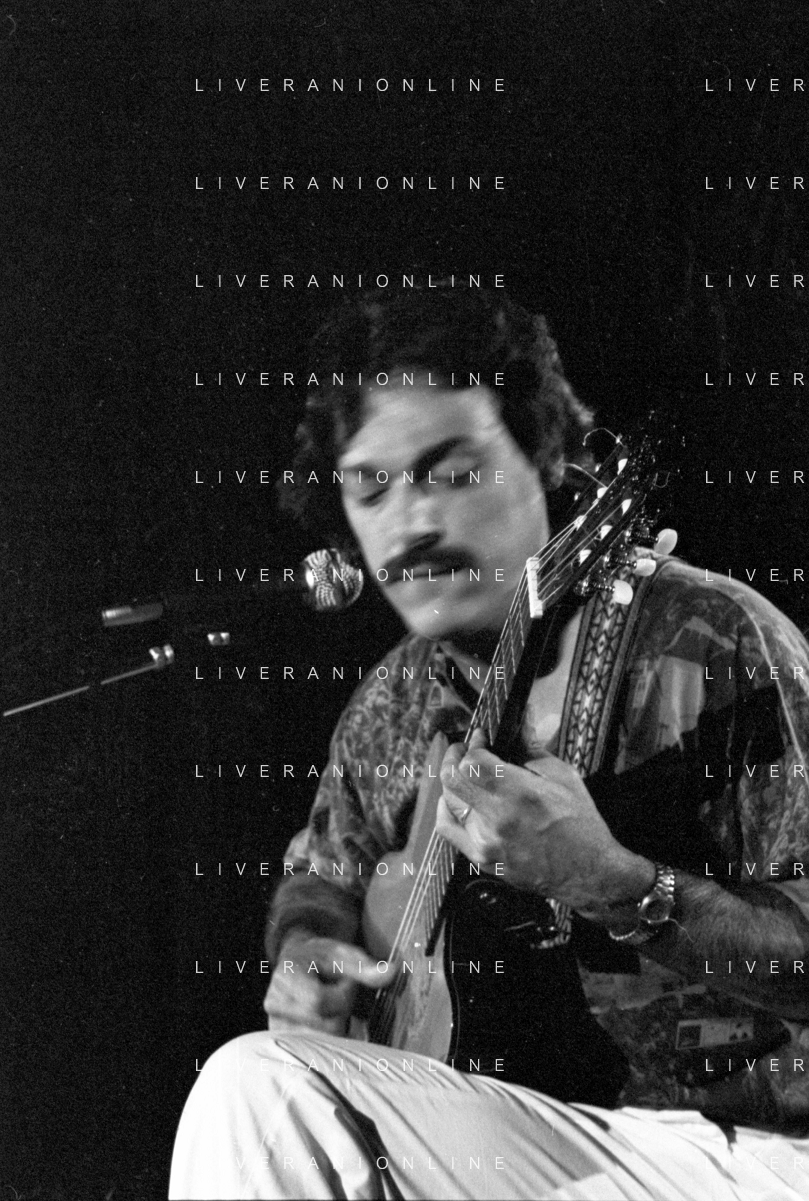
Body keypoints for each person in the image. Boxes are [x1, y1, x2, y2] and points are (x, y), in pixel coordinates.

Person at [169, 287, 809, 1200]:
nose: (411, 522)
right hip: (536, 1131)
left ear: (545, 459)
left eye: (452, 472)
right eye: (371, 486)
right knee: (268, 1083)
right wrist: (308, 945)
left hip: (756, 1144)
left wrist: (613, 882)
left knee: (254, 1085)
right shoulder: (393, 698)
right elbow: (323, 870)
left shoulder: (710, 641)